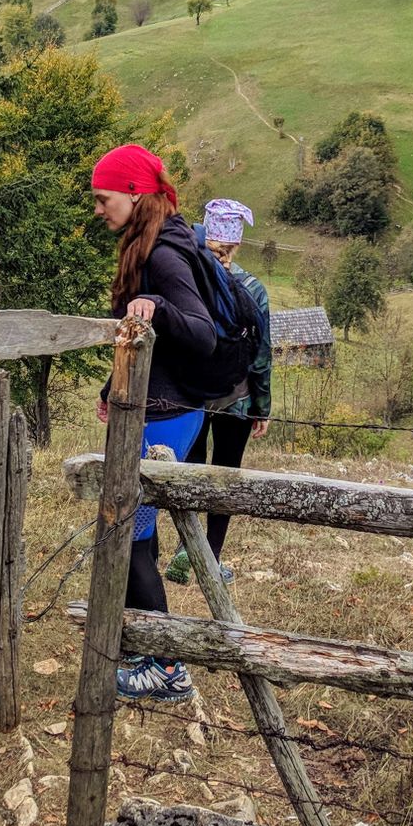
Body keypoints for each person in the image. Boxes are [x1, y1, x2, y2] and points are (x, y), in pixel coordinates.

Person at [88, 142, 244, 704]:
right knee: (138, 532)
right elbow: (147, 338)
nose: (99, 210)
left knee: (131, 531)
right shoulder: (154, 240)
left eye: (104, 199)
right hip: (158, 407)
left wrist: (155, 300)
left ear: (134, 194)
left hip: (167, 417)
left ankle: (166, 666)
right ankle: (145, 643)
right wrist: (114, 388)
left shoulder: (163, 256)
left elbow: (198, 335)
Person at [165, 199, 270, 586]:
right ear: (238, 243)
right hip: (236, 397)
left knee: (191, 472)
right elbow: (261, 354)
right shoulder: (252, 287)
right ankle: (210, 560)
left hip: (190, 394)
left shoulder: (184, 275)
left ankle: (183, 550)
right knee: (224, 477)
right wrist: (262, 405)